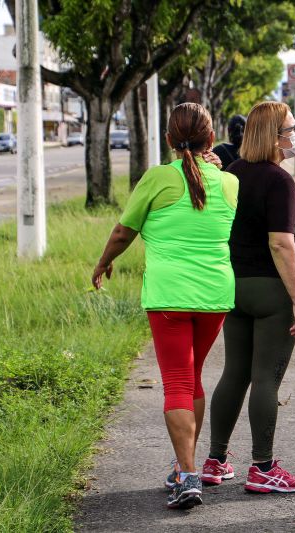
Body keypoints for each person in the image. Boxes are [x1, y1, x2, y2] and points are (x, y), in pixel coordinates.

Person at [92, 103, 238, 509]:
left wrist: (104, 262)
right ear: (212, 139)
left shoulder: (157, 179)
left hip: (169, 296)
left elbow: (124, 231)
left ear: (170, 140)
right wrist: (212, 165)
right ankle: (184, 467)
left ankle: (187, 474)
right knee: (192, 378)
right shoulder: (230, 183)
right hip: (215, 296)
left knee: (176, 382)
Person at [203, 101, 295, 494]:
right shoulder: (279, 181)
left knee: (235, 373)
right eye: (289, 129)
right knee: (266, 378)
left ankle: (215, 461)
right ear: (273, 135)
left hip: (234, 287)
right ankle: (263, 467)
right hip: (270, 290)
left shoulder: (232, 173)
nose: (294, 135)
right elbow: (282, 244)